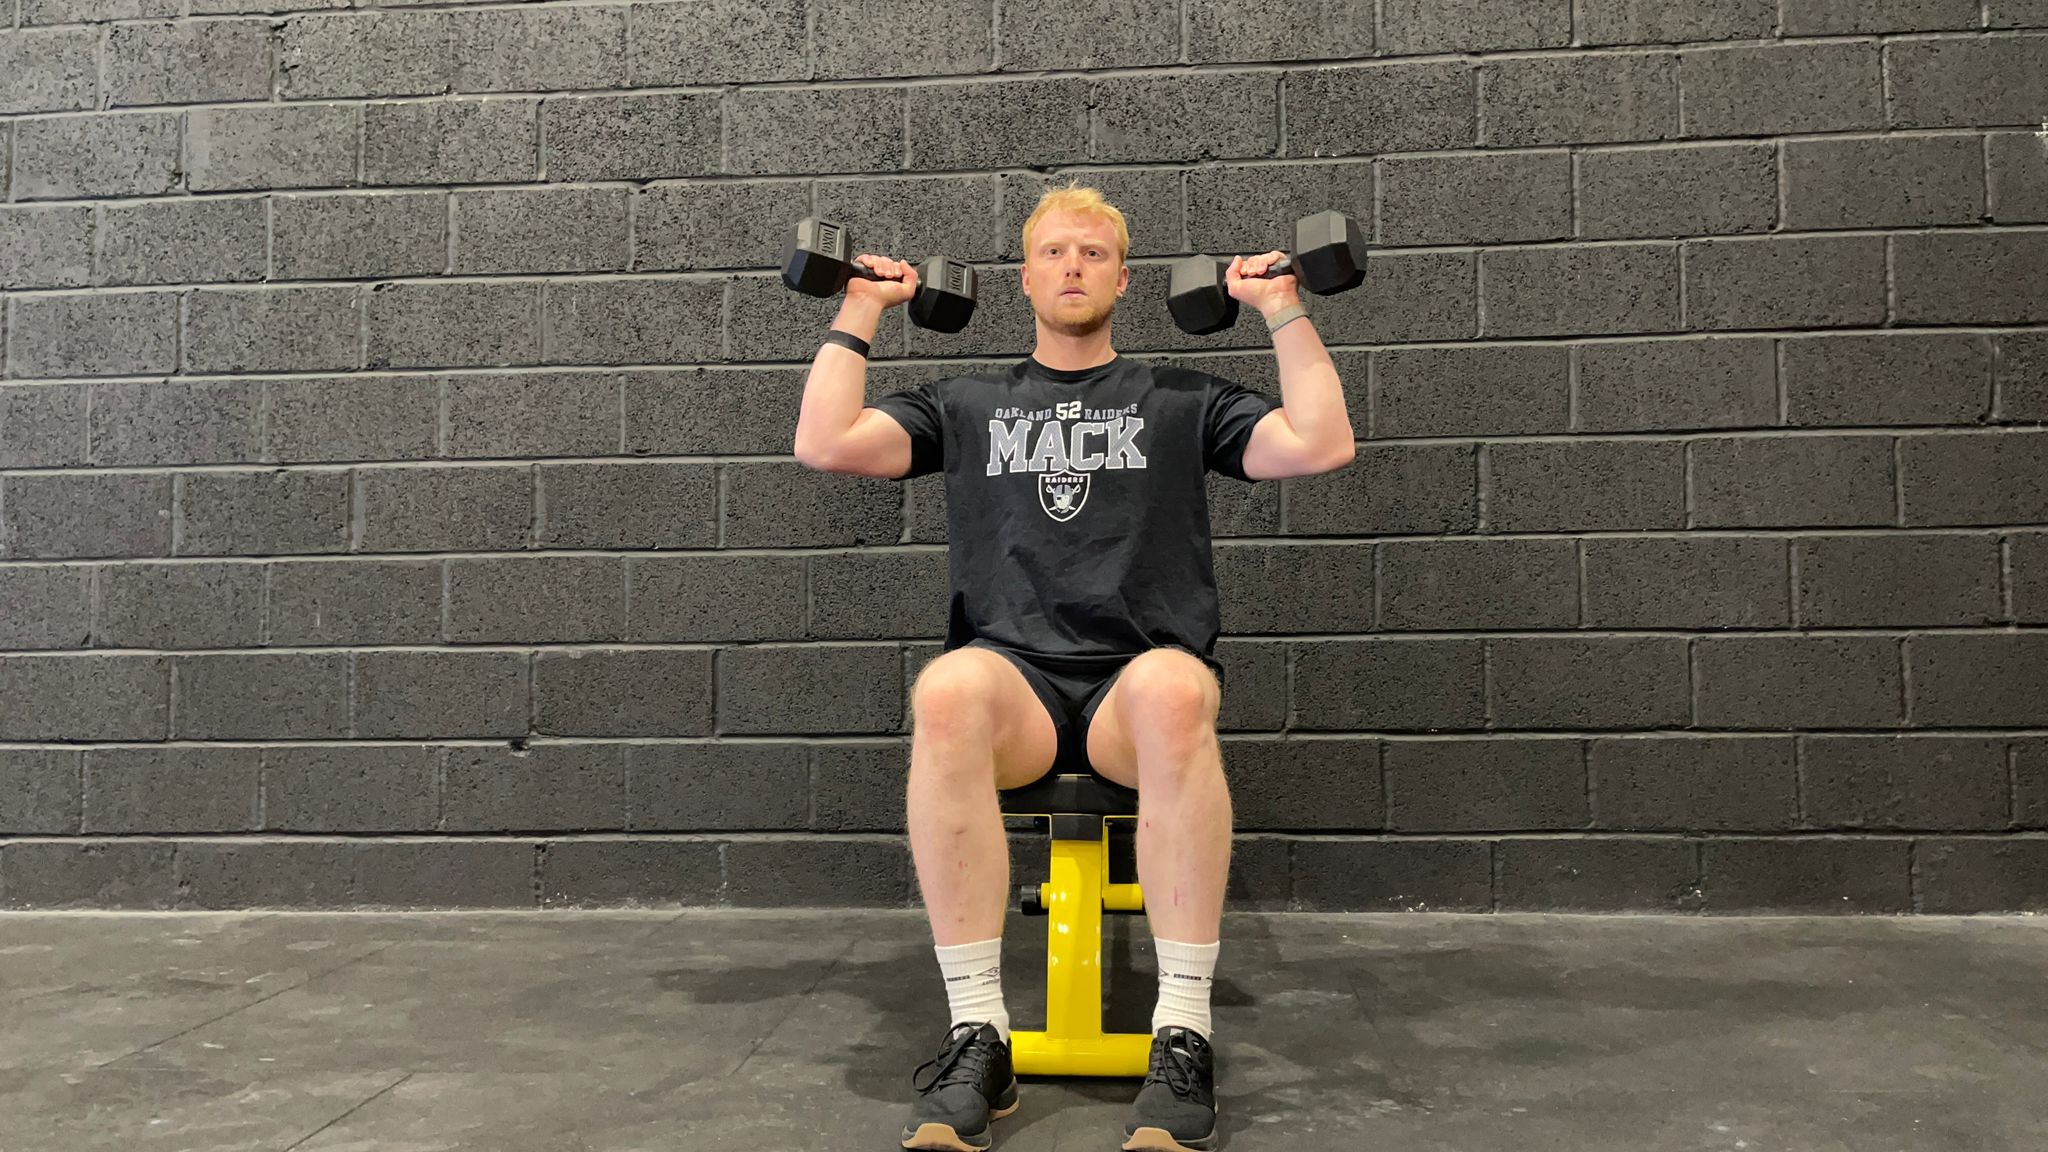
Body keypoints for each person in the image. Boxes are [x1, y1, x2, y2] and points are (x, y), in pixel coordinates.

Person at [791, 185, 1357, 1152]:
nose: (1072, 267)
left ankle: (1183, 1030)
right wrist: (861, 307)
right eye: (1054, 252)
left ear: (1125, 279)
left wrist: (1282, 307)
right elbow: (824, 442)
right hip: (1017, 685)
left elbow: (1322, 443)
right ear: (1024, 277)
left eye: (1093, 254)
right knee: (948, 688)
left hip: (1134, 687)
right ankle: (979, 1033)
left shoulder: (1180, 399)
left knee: (1180, 688)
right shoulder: (967, 404)